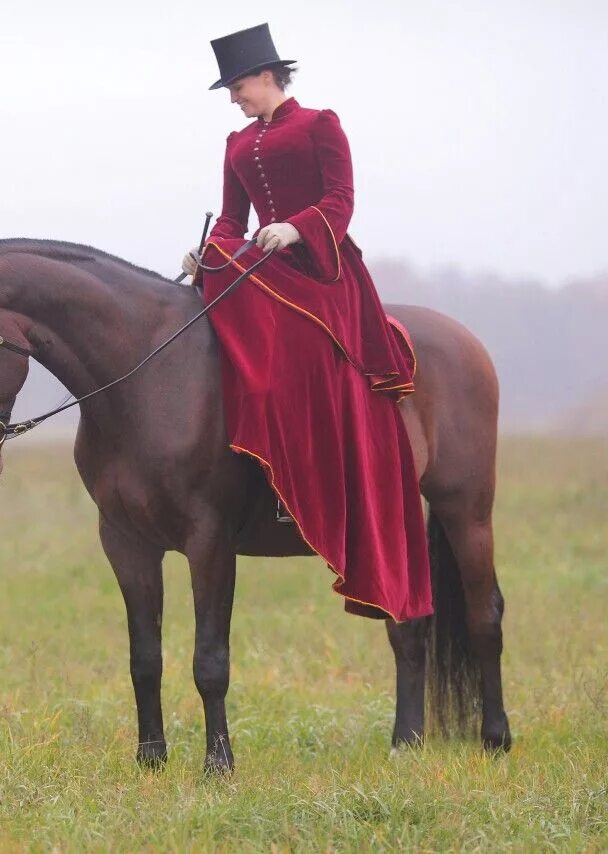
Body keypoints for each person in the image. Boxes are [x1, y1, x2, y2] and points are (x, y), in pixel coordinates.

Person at [187, 23, 432, 622]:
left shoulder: (321, 124)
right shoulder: (236, 144)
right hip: (262, 268)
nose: (234, 97)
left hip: (321, 271)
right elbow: (230, 221)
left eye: (238, 84)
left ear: (268, 75)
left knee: (287, 365)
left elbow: (341, 201)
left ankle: (304, 477)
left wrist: (297, 227)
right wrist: (205, 254)